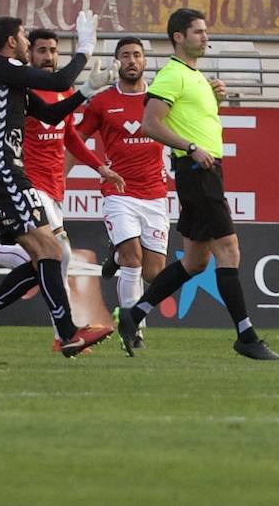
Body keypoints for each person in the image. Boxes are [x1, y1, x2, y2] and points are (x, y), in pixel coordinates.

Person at [115, 8, 279, 361]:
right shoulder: (172, 75)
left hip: (202, 171)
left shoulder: (195, 76)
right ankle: (246, 335)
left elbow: (193, 122)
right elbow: (149, 124)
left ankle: (134, 313)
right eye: (198, 32)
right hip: (197, 172)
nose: (205, 37)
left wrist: (215, 99)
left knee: (194, 262)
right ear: (179, 37)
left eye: (205, 32)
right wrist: (191, 147)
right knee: (229, 250)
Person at [0, 13, 114, 358]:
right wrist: (85, 49)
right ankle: (68, 334)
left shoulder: (11, 83)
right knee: (53, 253)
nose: (28, 42)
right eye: (25, 36)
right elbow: (58, 82)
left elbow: (54, 115)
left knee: (48, 256)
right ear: (11, 41)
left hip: (9, 175)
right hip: (2, 173)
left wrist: (87, 89)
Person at [77, 37, 169, 349]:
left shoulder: (159, 99)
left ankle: (114, 253)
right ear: (118, 62)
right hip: (119, 191)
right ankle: (134, 329)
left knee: (154, 272)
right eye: (125, 56)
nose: (132, 61)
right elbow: (77, 139)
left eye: (137, 55)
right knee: (133, 260)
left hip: (155, 194)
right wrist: (59, 173)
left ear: (145, 62)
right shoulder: (102, 102)